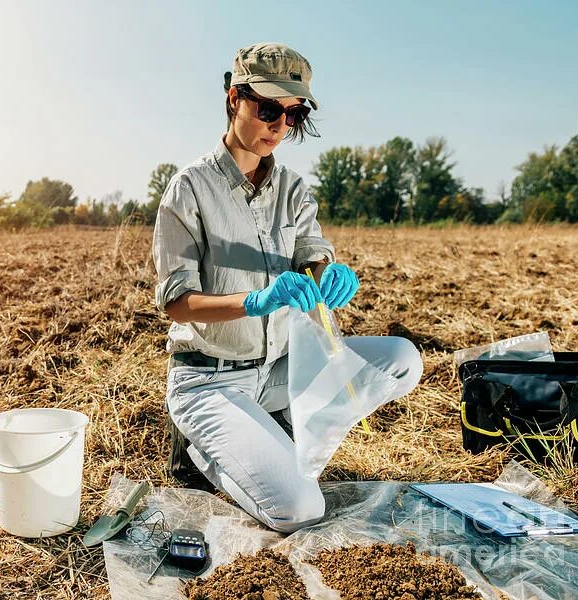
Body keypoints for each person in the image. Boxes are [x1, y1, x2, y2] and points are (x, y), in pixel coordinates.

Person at [151, 42, 424, 533]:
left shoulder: (293, 189)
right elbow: (178, 303)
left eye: (293, 114)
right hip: (210, 379)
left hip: (278, 369)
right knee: (300, 510)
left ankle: (280, 428)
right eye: (268, 109)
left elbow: (312, 255)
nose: (280, 126)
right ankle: (202, 450)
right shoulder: (189, 188)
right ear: (234, 99)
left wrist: (327, 273)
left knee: (404, 359)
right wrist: (256, 301)